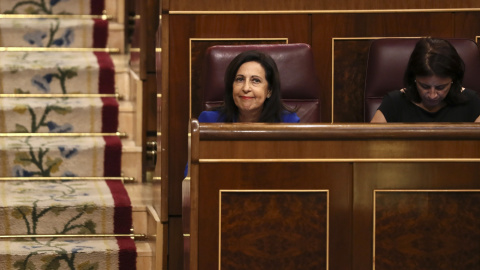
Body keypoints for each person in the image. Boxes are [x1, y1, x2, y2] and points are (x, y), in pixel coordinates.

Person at [370, 37, 480, 123]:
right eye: (425, 86)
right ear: (414, 79)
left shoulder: (471, 103)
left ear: (453, 80)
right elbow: (371, 146)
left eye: (440, 87)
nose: (432, 95)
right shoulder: (394, 103)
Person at [198, 50, 300, 123]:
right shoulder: (209, 121)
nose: (246, 88)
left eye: (256, 80)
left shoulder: (288, 122)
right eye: (240, 79)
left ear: (269, 90)